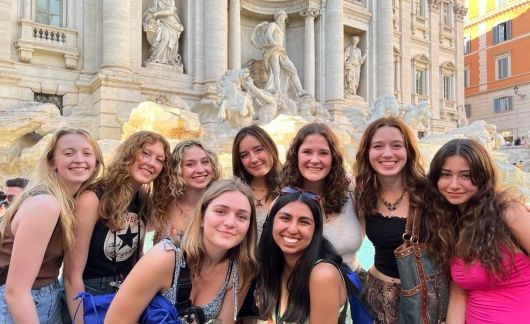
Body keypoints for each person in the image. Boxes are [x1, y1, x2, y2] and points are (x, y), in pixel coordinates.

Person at [105, 179, 258, 324]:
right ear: (202, 217)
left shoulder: (239, 271)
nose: (230, 223)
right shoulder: (165, 257)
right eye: (220, 211)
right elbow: (115, 320)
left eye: (241, 216)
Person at [63, 131, 172, 322]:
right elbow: (72, 275)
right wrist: (80, 319)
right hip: (90, 296)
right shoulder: (92, 199)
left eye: (159, 159)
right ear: (129, 153)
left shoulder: (143, 200)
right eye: (145, 153)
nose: (151, 163)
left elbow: (135, 261)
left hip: (124, 294)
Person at [0, 128, 103, 323]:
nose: (79, 159)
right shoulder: (46, 204)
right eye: (68, 153)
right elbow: (16, 292)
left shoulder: (65, 201)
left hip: (45, 296)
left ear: (96, 162)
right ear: (52, 162)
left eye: (87, 153)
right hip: (25, 303)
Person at [425, 138, 530, 323]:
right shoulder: (447, 225)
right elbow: (459, 292)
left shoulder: (509, 214)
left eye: (466, 176)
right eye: (446, 175)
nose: (454, 184)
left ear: (483, 178)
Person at [353, 117, 426, 323]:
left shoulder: (431, 194)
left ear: (408, 151)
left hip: (422, 302)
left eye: (396, 146)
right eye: (378, 146)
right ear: (368, 153)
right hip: (375, 299)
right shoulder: (362, 194)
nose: (387, 154)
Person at [256, 186, 356, 323]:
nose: (292, 229)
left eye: (304, 222)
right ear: (271, 222)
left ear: (316, 231)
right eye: (285, 218)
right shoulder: (273, 268)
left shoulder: (323, 275)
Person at [281, 123, 362, 269]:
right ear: (296, 156)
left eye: (323, 153)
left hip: (354, 285)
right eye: (307, 152)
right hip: (303, 288)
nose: (314, 160)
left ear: (333, 158)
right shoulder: (282, 202)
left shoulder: (353, 197)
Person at [160, 139, 221, 243]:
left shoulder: (223, 204)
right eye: (190, 164)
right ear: (177, 170)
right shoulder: (162, 206)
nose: (201, 169)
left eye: (205, 162)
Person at [232, 125, 281, 239]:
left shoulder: (290, 188)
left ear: (271, 148)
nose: (253, 159)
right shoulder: (234, 193)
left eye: (258, 150)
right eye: (245, 155)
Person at [251, 10, 308, 97]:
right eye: (281, 17)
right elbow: (268, 33)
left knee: (293, 70)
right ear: (277, 17)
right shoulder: (273, 25)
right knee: (276, 72)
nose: (282, 20)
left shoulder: (281, 29)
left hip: (281, 52)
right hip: (273, 50)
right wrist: (273, 42)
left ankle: (300, 90)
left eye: (283, 18)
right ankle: (278, 92)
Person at [143, 0, 184, 67]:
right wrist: (149, 16)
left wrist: (157, 14)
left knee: (168, 38)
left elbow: (170, 12)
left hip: (172, 23)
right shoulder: (157, 1)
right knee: (165, 37)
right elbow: (150, 11)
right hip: (161, 22)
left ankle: (167, 59)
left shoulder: (171, 1)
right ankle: (156, 58)